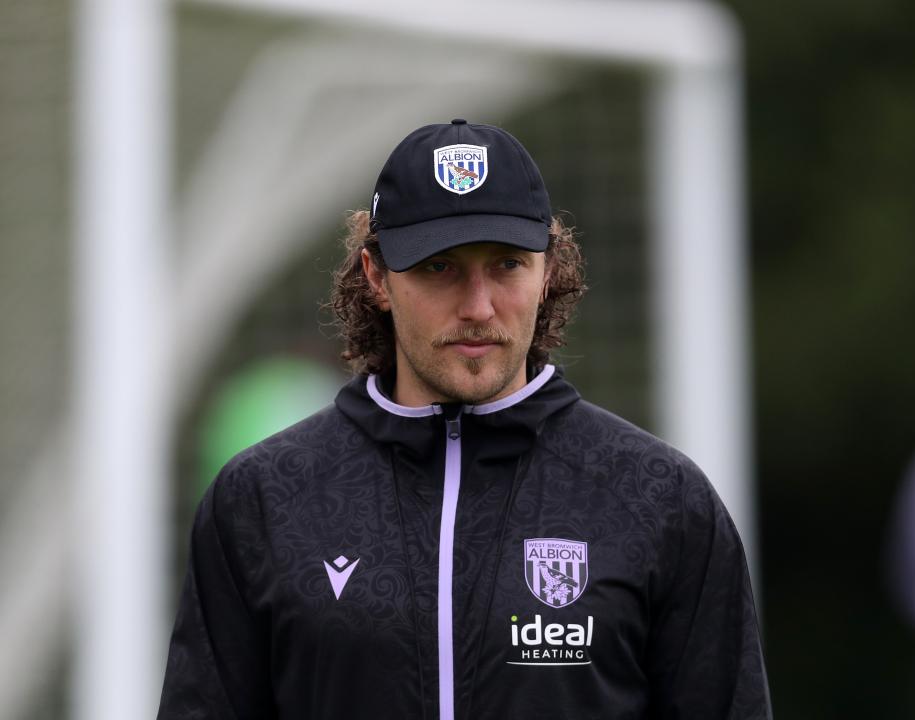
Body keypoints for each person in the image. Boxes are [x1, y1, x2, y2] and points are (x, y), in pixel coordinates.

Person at [157, 119, 772, 719]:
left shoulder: (658, 496)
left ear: (548, 269)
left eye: (506, 264)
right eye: (439, 267)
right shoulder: (264, 496)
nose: (478, 307)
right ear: (376, 276)